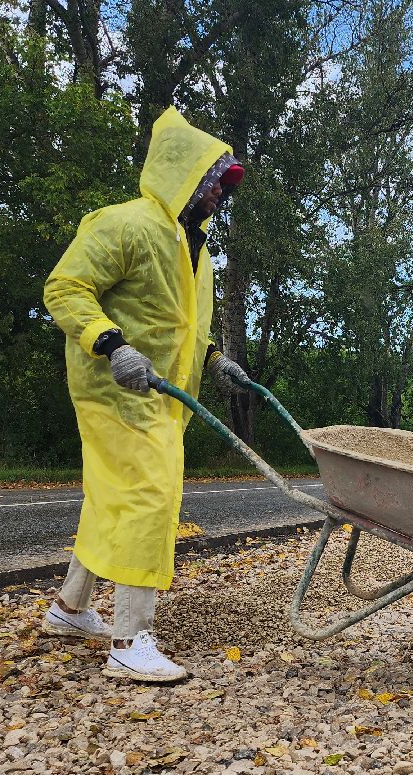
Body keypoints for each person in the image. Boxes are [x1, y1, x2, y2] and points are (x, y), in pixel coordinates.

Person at [40, 107, 248, 682]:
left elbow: (181, 323)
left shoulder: (194, 250)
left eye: (222, 186)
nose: (218, 195)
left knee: (112, 499)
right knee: (150, 498)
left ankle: (69, 609)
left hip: (161, 396)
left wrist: (213, 358)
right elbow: (65, 287)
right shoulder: (125, 224)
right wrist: (110, 345)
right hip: (113, 391)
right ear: (184, 177)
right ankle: (129, 641)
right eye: (212, 183)